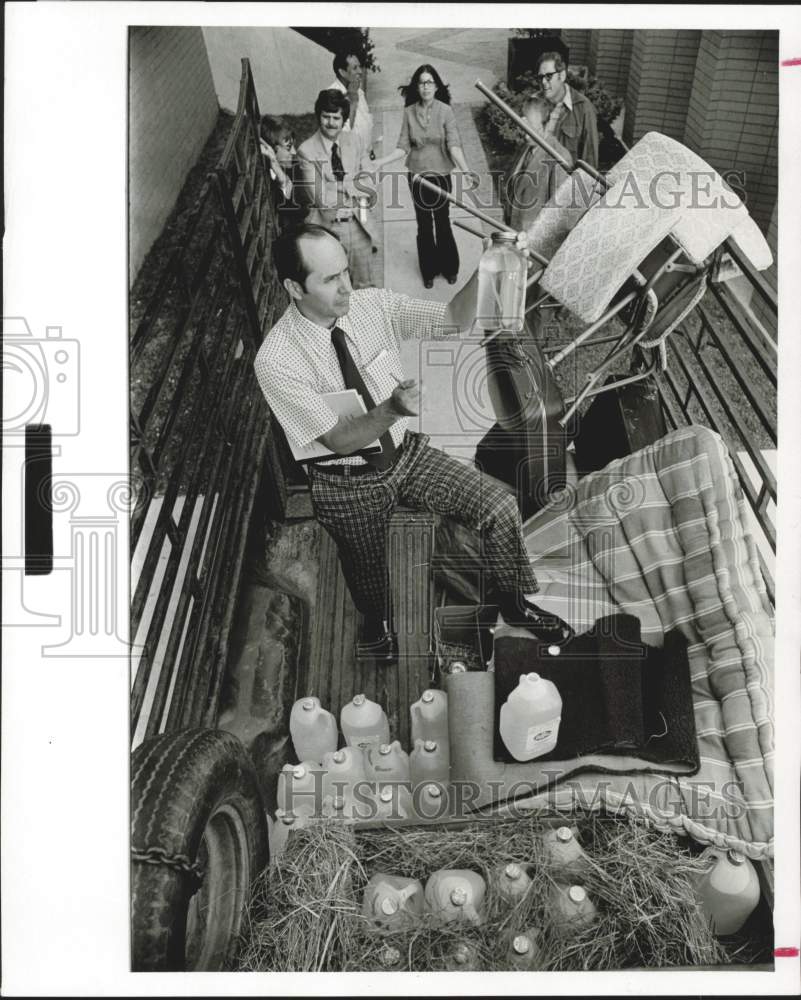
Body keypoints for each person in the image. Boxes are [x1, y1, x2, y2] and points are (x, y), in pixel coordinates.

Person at [253, 223, 574, 661]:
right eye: (330, 280)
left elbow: (451, 322)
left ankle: (515, 604)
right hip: (345, 481)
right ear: (294, 287)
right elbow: (338, 440)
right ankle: (376, 625)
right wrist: (391, 409)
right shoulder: (276, 359)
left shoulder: (370, 306)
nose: (347, 287)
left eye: (346, 271)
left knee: (499, 507)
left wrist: (488, 266)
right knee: (366, 568)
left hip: (406, 457)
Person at [375, 65, 474, 290]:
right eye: (421, 82)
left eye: (430, 82)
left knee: (442, 221)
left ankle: (450, 268)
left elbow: (454, 144)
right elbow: (402, 147)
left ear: (437, 86)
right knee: (424, 224)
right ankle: (428, 270)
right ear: (416, 87)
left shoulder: (446, 111)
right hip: (417, 177)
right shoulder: (409, 112)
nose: (426, 86)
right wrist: (380, 162)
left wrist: (466, 171)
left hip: (441, 175)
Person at [503, 51, 599, 232]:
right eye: (540, 77)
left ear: (562, 75)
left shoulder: (583, 110)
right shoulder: (535, 102)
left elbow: (590, 162)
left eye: (548, 76)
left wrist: (583, 211)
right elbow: (524, 153)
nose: (543, 82)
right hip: (533, 195)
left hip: (560, 198)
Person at [295, 89, 376, 289]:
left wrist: (335, 184)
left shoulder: (355, 140)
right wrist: (352, 185)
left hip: (359, 223)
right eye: (326, 117)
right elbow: (321, 198)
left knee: (365, 285)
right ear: (318, 116)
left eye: (336, 118)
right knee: (336, 288)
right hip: (329, 229)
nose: (331, 123)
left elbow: (370, 181)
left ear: (343, 120)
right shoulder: (306, 151)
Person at [329, 48, 374, 158]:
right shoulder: (331, 96)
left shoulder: (359, 92)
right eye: (355, 68)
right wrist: (353, 101)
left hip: (365, 159)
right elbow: (342, 135)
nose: (360, 71)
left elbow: (366, 125)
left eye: (359, 66)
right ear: (342, 72)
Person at [259, 115, 298, 230]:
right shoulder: (268, 177)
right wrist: (274, 163)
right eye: (288, 147)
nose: (294, 152)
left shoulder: (292, 169)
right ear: (272, 149)